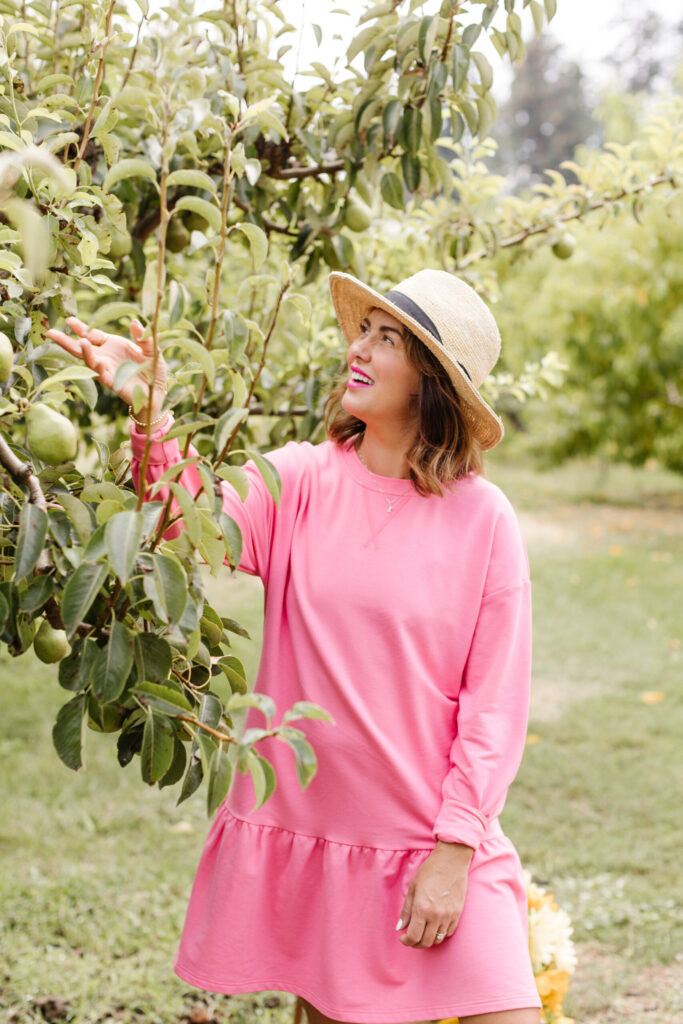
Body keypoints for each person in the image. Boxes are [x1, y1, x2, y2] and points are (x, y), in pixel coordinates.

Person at [47, 269, 542, 1024]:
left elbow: (495, 704)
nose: (359, 347)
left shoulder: (484, 519)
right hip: (319, 840)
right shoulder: (302, 479)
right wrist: (148, 403)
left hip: (429, 837)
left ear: (429, 382)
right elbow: (191, 520)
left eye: (386, 339)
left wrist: (454, 847)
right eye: (362, 330)